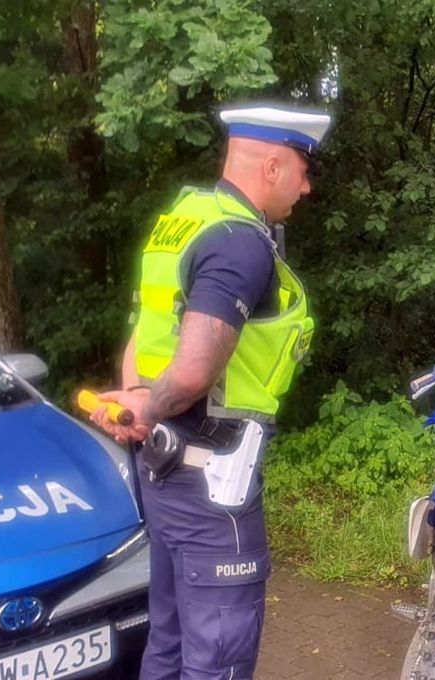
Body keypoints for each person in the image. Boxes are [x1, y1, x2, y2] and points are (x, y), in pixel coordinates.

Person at [89, 104, 332, 680]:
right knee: (217, 657)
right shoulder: (240, 241)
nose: (307, 185)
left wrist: (135, 398)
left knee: (169, 643)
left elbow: (147, 329)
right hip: (213, 482)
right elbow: (196, 368)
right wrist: (148, 404)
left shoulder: (186, 217)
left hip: (165, 470)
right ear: (272, 165)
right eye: (302, 168)